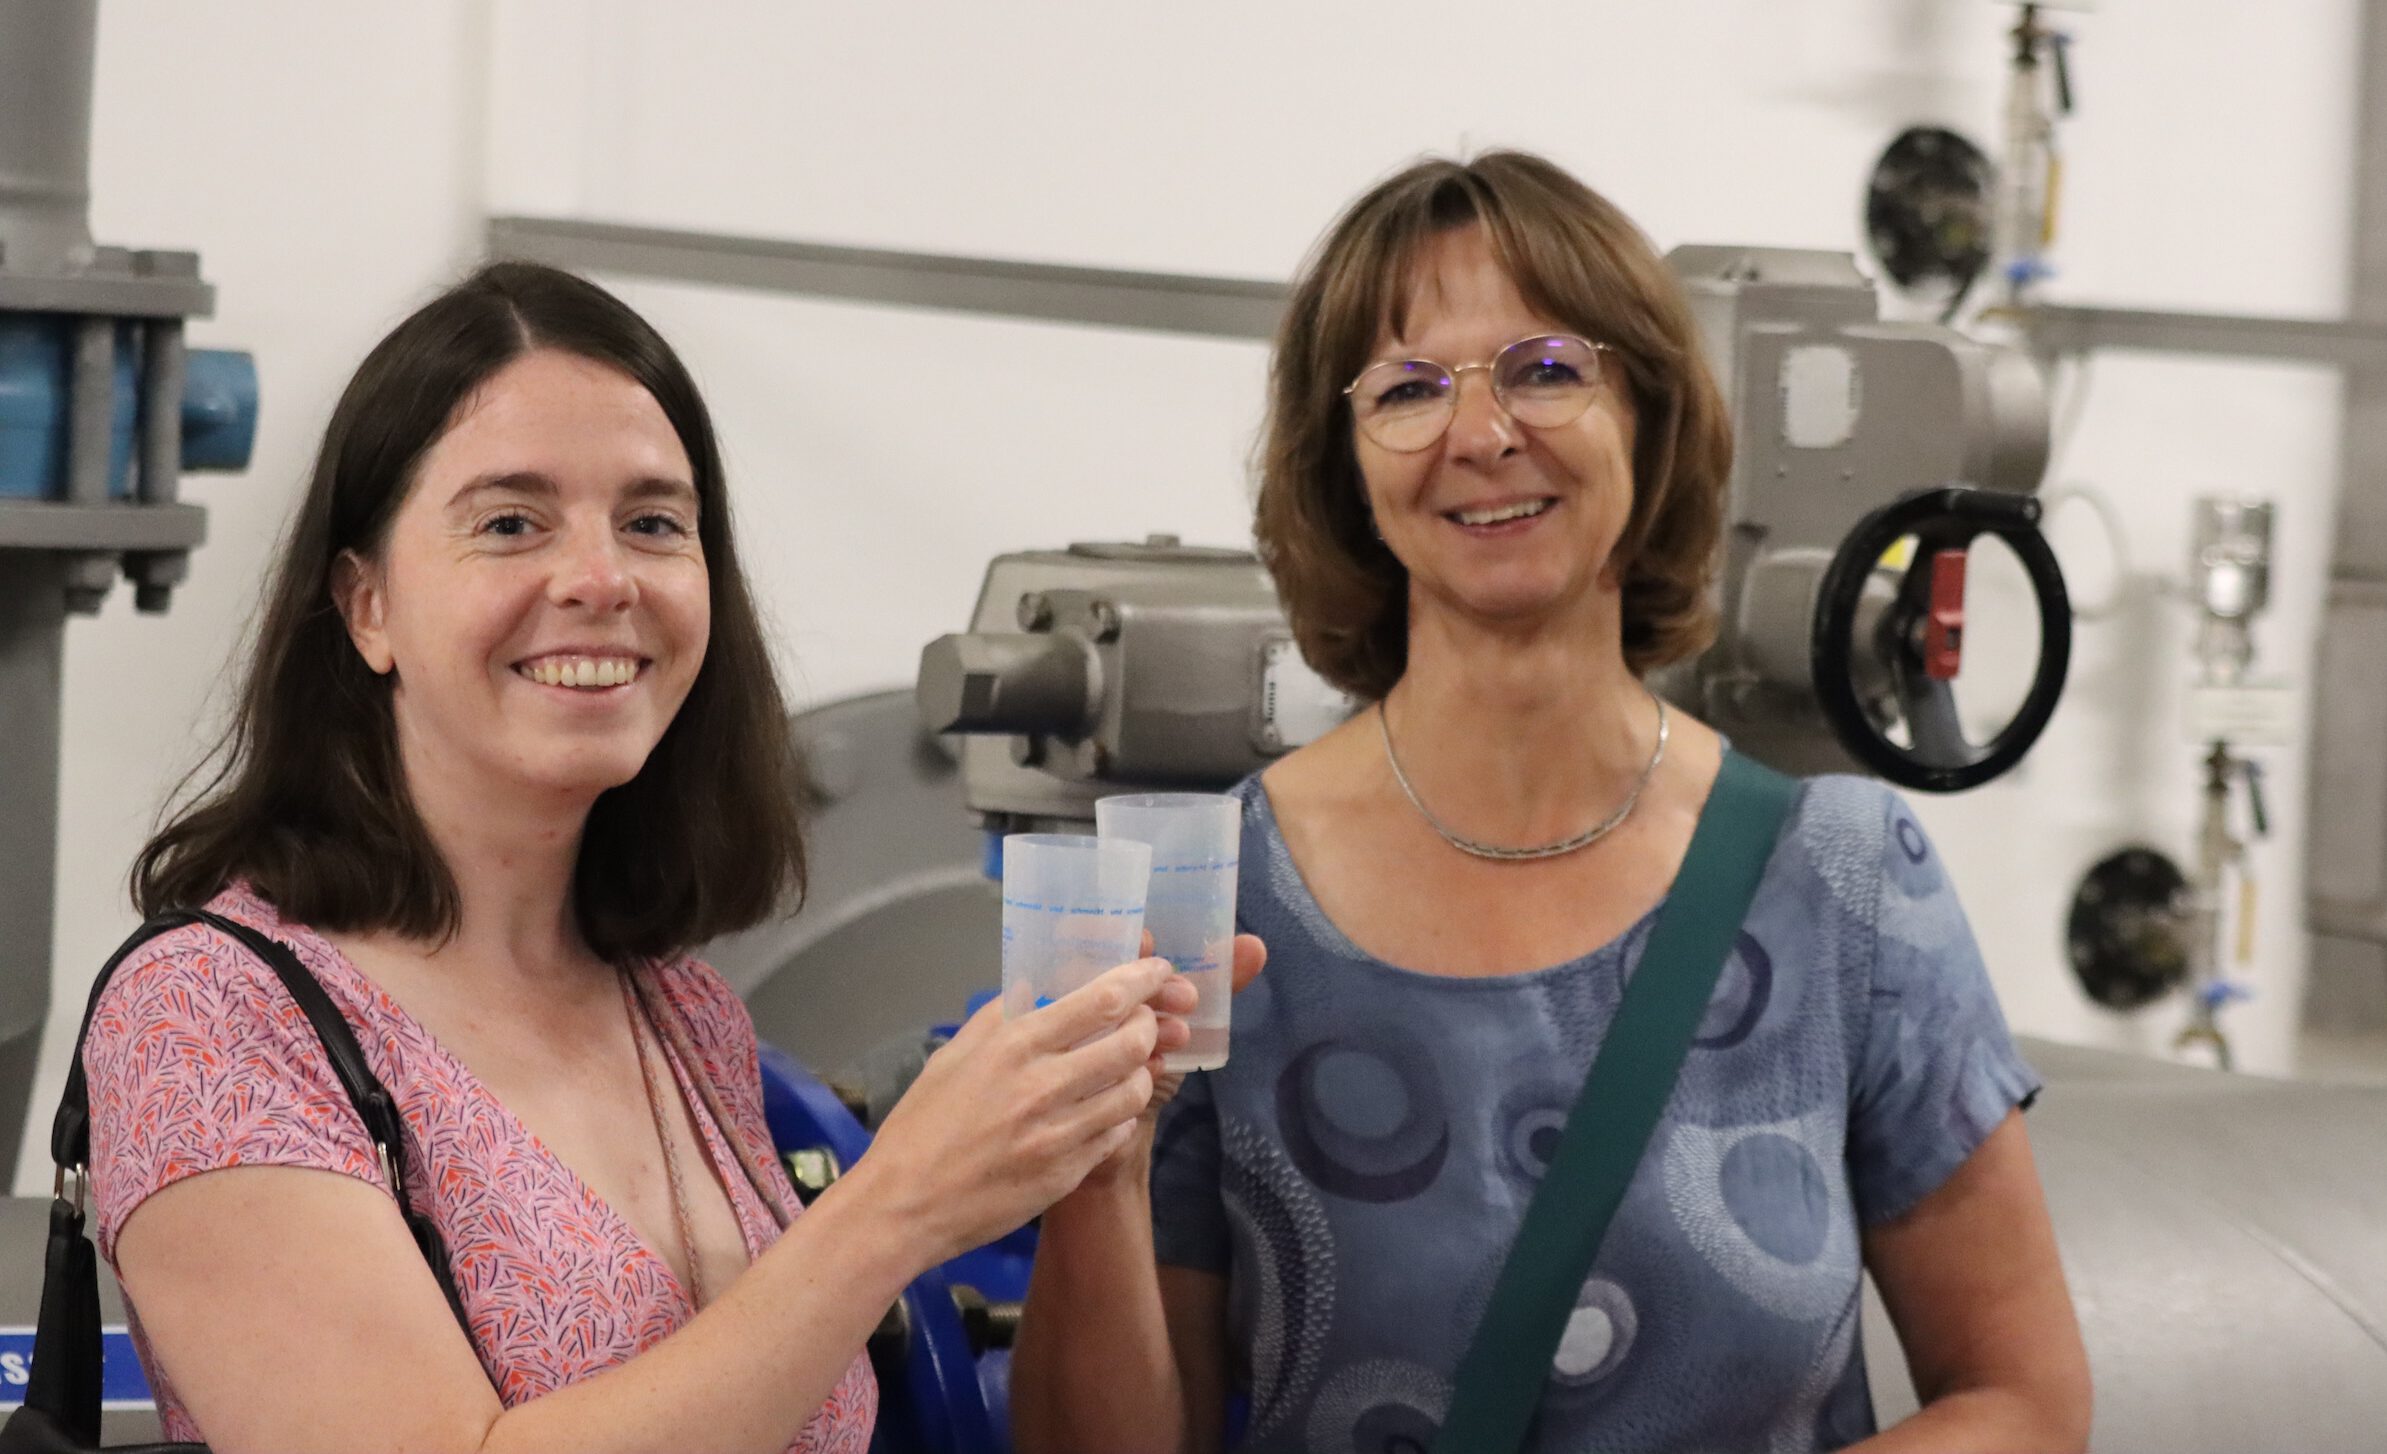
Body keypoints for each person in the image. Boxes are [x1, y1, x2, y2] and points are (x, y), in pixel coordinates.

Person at [1009, 152, 2092, 1453]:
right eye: (1407, 388)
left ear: (1646, 413)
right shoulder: (1218, 894)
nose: (1480, 433)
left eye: (1543, 369)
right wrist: (1088, 1180)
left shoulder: (1842, 879)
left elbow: (2020, 1400)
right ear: (1344, 464)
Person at [85, 261, 1203, 1454]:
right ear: (366, 606)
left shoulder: (680, 1012)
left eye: (654, 523)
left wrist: (1086, 1156)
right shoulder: (211, 1015)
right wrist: (901, 1202)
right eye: (510, 522)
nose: (602, 579)